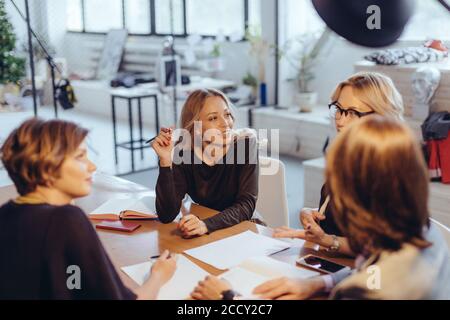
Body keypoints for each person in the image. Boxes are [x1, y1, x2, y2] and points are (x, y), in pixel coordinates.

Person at [191, 117, 450, 300]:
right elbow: (370, 272)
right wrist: (319, 283)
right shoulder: (420, 231)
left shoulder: (371, 292)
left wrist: (227, 298)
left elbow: (371, 281)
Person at [0, 118, 177, 300]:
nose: (92, 166)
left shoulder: (6, 213)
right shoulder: (67, 219)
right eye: (80, 157)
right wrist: (158, 275)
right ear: (47, 166)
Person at [274, 72, 405, 256]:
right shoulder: (349, 157)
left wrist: (326, 240)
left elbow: (380, 247)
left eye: (352, 112)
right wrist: (313, 213)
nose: (341, 121)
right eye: (339, 109)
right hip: (334, 263)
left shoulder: (388, 172)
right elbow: (344, 222)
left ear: (381, 116)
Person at [152, 88, 259, 238]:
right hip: (207, 233)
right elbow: (166, 215)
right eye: (213, 118)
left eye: (227, 114)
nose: (226, 124)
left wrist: (206, 225)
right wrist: (165, 161)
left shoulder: (245, 143)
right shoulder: (184, 152)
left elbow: (246, 204)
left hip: (245, 228)